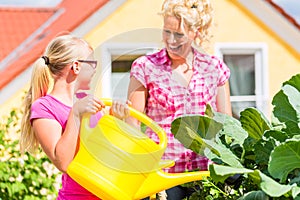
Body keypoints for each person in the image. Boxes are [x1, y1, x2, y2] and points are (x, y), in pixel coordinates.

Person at [127, 0, 232, 199]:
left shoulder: (214, 68)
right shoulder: (145, 66)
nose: (171, 40)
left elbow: (226, 121)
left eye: (179, 34)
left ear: (197, 32)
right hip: (161, 175)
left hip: (204, 174)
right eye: (166, 32)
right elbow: (132, 120)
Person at [20, 34, 130, 200]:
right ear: (77, 67)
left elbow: (105, 153)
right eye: (93, 63)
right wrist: (76, 114)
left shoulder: (86, 103)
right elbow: (63, 162)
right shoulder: (44, 107)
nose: (95, 70)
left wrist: (118, 121)